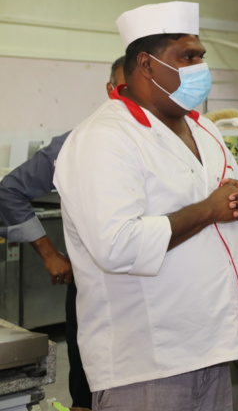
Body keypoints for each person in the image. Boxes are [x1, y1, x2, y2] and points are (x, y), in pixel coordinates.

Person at [53, 1, 238, 411]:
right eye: (187, 57)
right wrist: (209, 209)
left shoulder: (205, 130)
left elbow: (228, 214)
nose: (200, 66)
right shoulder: (105, 137)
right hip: (148, 361)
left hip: (213, 347)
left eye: (201, 56)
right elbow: (116, 244)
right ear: (147, 65)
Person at [0, 55, 125, 410]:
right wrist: (50, 254)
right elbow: (10, 190)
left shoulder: (171, 145)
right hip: (92, 294)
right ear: (111, 90)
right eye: (124, 88)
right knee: (87, 390)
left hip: (153, 297)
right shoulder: (76, 143)